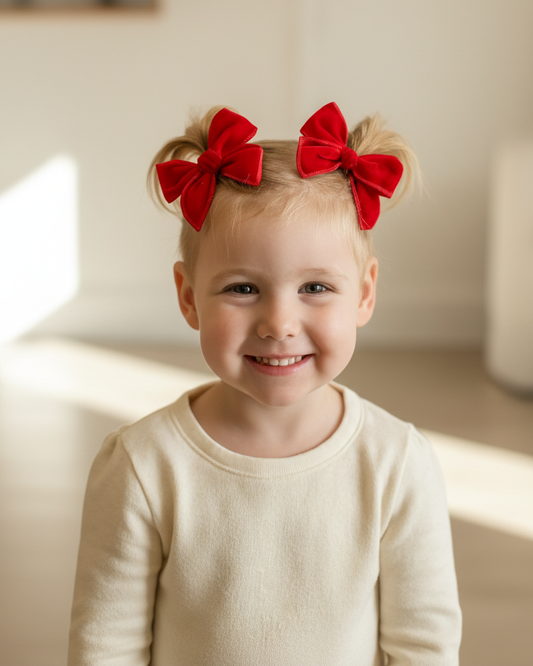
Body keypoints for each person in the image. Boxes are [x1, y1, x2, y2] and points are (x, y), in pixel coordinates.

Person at [68, 102, 462, 665]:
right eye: (243, 289)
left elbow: (425, 646)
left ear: (365, 294)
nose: (279, 323)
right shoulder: (143, 465)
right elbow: (105, 645)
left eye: (317, 288)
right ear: (187, 297)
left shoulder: (397, 463)